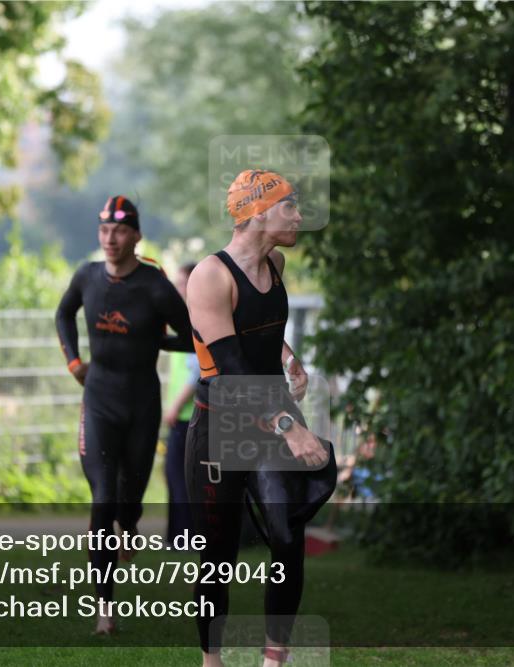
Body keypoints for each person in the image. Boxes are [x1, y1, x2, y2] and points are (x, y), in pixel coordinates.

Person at [185, 169, 337, 666]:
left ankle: (276, 660)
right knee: (217, 555)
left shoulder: (276, 263)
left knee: (287, 535)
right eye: (290, 205)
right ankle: (212, 661)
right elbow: (229, 367)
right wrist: (291, 427)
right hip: (221, 424)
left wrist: (288, 355)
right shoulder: (209, 275)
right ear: (257, 212)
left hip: (270, 414)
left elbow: (256, 330)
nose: (299, 215)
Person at [55, 195, 194, 635]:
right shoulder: (88, 276)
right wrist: (74, 362)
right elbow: (63, 314)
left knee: (128, 502)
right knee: (102, 499)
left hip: (141, 405)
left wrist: (152, 339)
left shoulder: (154, 285)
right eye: (103, 231)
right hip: (98, 401)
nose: (110, 239)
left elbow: (193, 337)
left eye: (119, 231)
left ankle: (130, 525)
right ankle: (104, 611)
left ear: (135, 235)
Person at [163, 262, 200, 545]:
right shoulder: (182, 319)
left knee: (181, 479)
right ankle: (178, 539)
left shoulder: (197, 320)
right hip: (184, 416)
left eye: (181, 283)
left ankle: (185, 540)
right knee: (175, 476)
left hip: (189, 416)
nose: (177, 289)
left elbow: (198, 371)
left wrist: (175, 405)